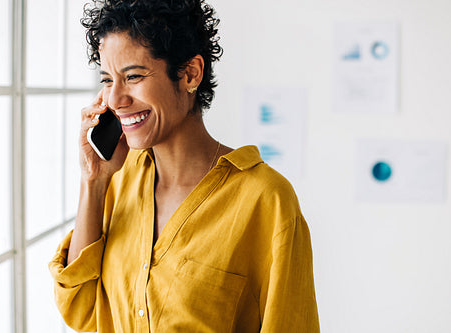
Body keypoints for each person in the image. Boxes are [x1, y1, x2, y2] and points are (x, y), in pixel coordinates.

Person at [49, 0, 320, 331]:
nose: (116, 99)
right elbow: (79, 308)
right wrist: (93, 180)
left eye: (132, 76)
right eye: (108, 79)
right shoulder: (119, 178)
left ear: (191, 73)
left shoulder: (266, 200)